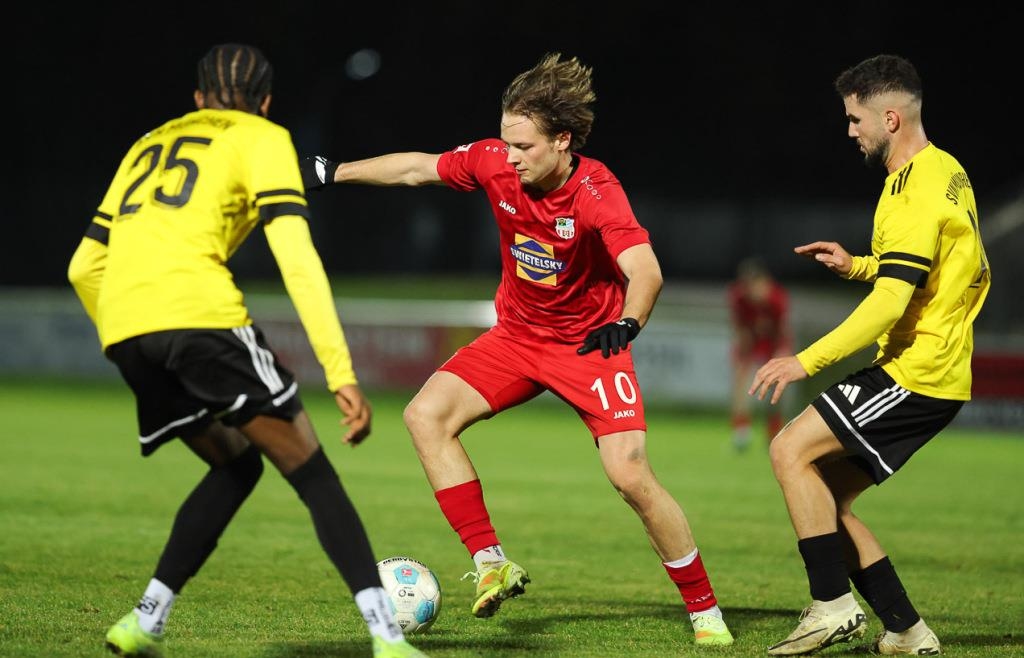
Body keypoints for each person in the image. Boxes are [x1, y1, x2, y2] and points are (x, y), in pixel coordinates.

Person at [300, 52, 734, 647]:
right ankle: (491, 562)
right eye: (506, 142)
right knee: (425, 416)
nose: (509, 157)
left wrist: (628, 323)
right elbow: (418, 169)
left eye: (523, 146)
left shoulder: (597, 191)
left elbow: (646, 270)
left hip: (590, 346)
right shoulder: (494, 162)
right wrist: (333, 171)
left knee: (629, 474)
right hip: (517, 338)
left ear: (562, 141)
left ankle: (706, 613)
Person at [67, 43, 427, 658]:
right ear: (264, 102)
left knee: (236, 466)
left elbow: (83, 267)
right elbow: (296, 258)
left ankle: (145, 621)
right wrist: (340, 372)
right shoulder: (263, 137)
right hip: (201, 319)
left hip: (127, 332)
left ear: (198, 99)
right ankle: (388, 640)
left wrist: (126, 333)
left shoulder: (147, 144)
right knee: (312, 472)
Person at [749, 54, 990, 656]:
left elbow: (889, 305)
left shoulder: (914, 193)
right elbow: (922, 270)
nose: (850, 130)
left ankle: (831, 607)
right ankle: (907, 631)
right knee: (824, 497)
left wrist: (805, 361)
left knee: (788, 450)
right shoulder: (945, 169)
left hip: (917, 369)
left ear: (890, 118)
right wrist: (857, 265)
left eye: (855, 119)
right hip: (936, 367)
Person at [727, 256, 791, 451]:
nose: (751, 291)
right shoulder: (738, 297)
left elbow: (782, 330)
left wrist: (782, 354)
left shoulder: (777, 298)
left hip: (773, 344)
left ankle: (773, 432)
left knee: (775, 388)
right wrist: (743, 355)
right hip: (750, 343)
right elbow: (740, 328)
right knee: (741, 383)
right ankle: (741, 431)